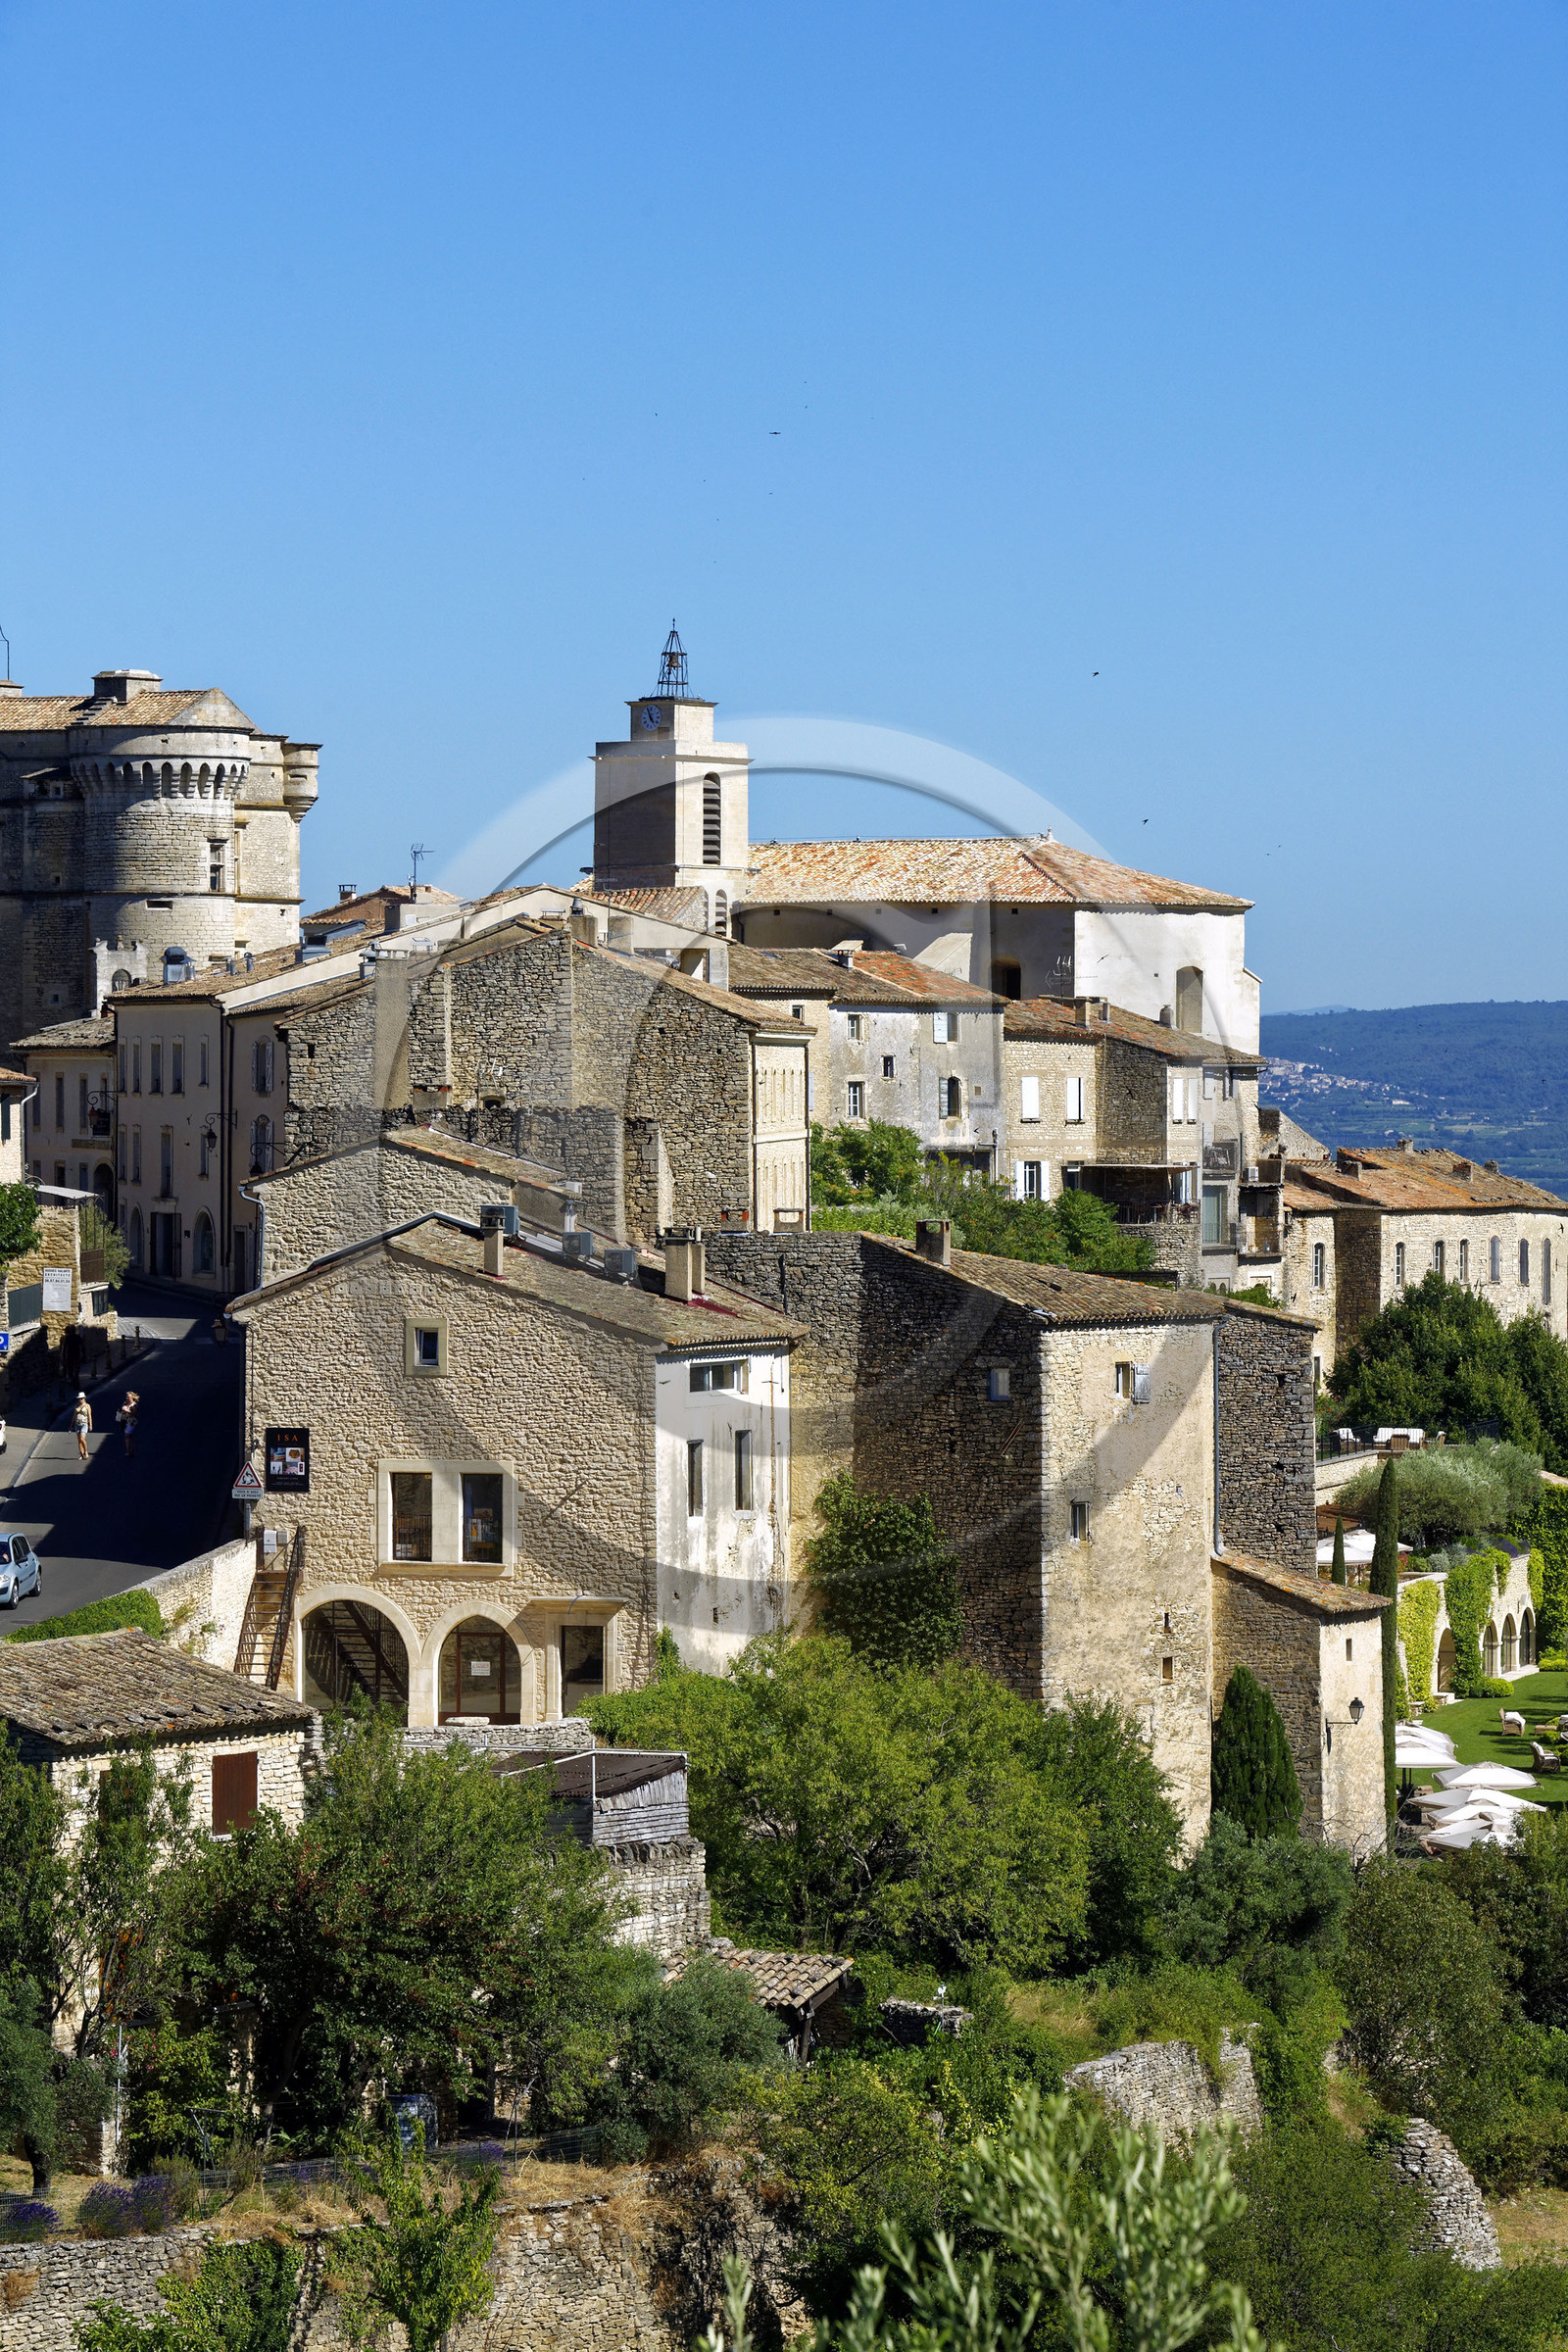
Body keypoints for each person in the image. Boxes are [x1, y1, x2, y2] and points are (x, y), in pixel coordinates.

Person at [117, 1390, 139, 1458]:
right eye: (126, 1396)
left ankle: (128, 1451)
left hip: (132, 1422)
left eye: (128, 1397)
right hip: (125, 1421)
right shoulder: (125, 1403)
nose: (127, 1398)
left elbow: (134, 1414)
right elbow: (121, 1411)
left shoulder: (134, 1405)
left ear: (132, 1397)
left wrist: (127, 1410)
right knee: (129, 1436)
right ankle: (131, 1449)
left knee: (127, 1435)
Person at [73, 1392, 92, 1461]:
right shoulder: (77, 1406)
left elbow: (89, 1415)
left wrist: (90, 1425)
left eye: (81, 1399)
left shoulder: (87, 1406)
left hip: (84, 1424)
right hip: (77, 1424)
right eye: (79, 1399)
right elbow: (74, 1416)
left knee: (82, 1439)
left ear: (84, 1398)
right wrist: (71, 1424)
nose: (80, 1400)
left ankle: (86, 1452)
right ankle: (81, 1454)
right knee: (79, 1441)